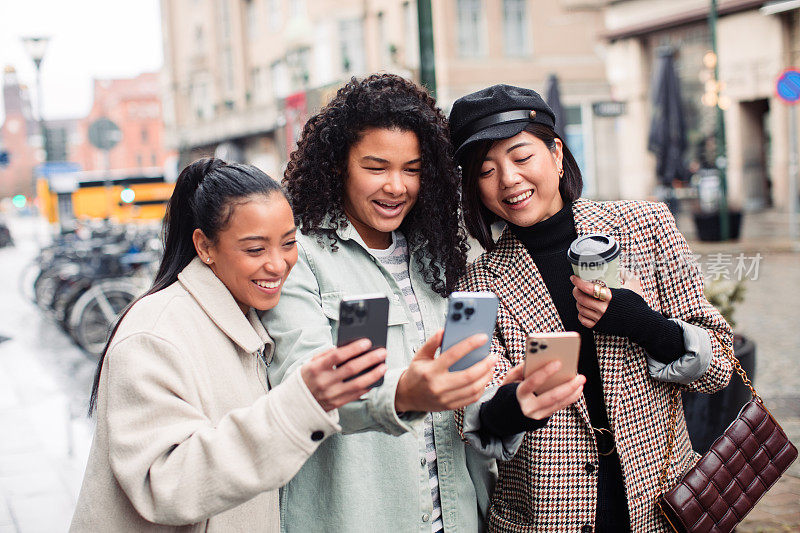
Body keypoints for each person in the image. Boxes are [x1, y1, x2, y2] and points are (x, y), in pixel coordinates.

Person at [448, 85, 734, 532]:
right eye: (486, 170)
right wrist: (519, 402)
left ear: (557, 154)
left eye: (522, 158)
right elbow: (471, 413)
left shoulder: (648, 225)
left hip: (663, 506)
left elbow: (720, 367)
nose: (508, 179)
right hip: (544, 518)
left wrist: (643, 322)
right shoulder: (469, 287)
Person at [70, 158, 387, 532]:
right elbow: (166, 486)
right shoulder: (154, 333)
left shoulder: (247, 316)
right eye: (255, 250)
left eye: (288, 244)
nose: (278, 264)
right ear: (205, 246)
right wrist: (302, 403)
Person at [260, 74, 498, 532]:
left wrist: (510, 401)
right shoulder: (300, 256)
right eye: (376, 167)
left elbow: (471, 378)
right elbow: (302, 386)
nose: (396, 186)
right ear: (338, 166)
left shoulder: (443, 253)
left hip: (458, 517)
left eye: (411, 169)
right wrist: (406, 392)